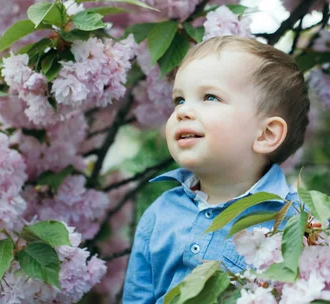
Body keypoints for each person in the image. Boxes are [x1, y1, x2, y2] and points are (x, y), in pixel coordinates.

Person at [122, 36, 310, 303]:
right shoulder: (161, 213)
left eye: (210, 97)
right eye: (179, 100)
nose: (183, 112)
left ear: (266, 134)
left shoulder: (297, 222)